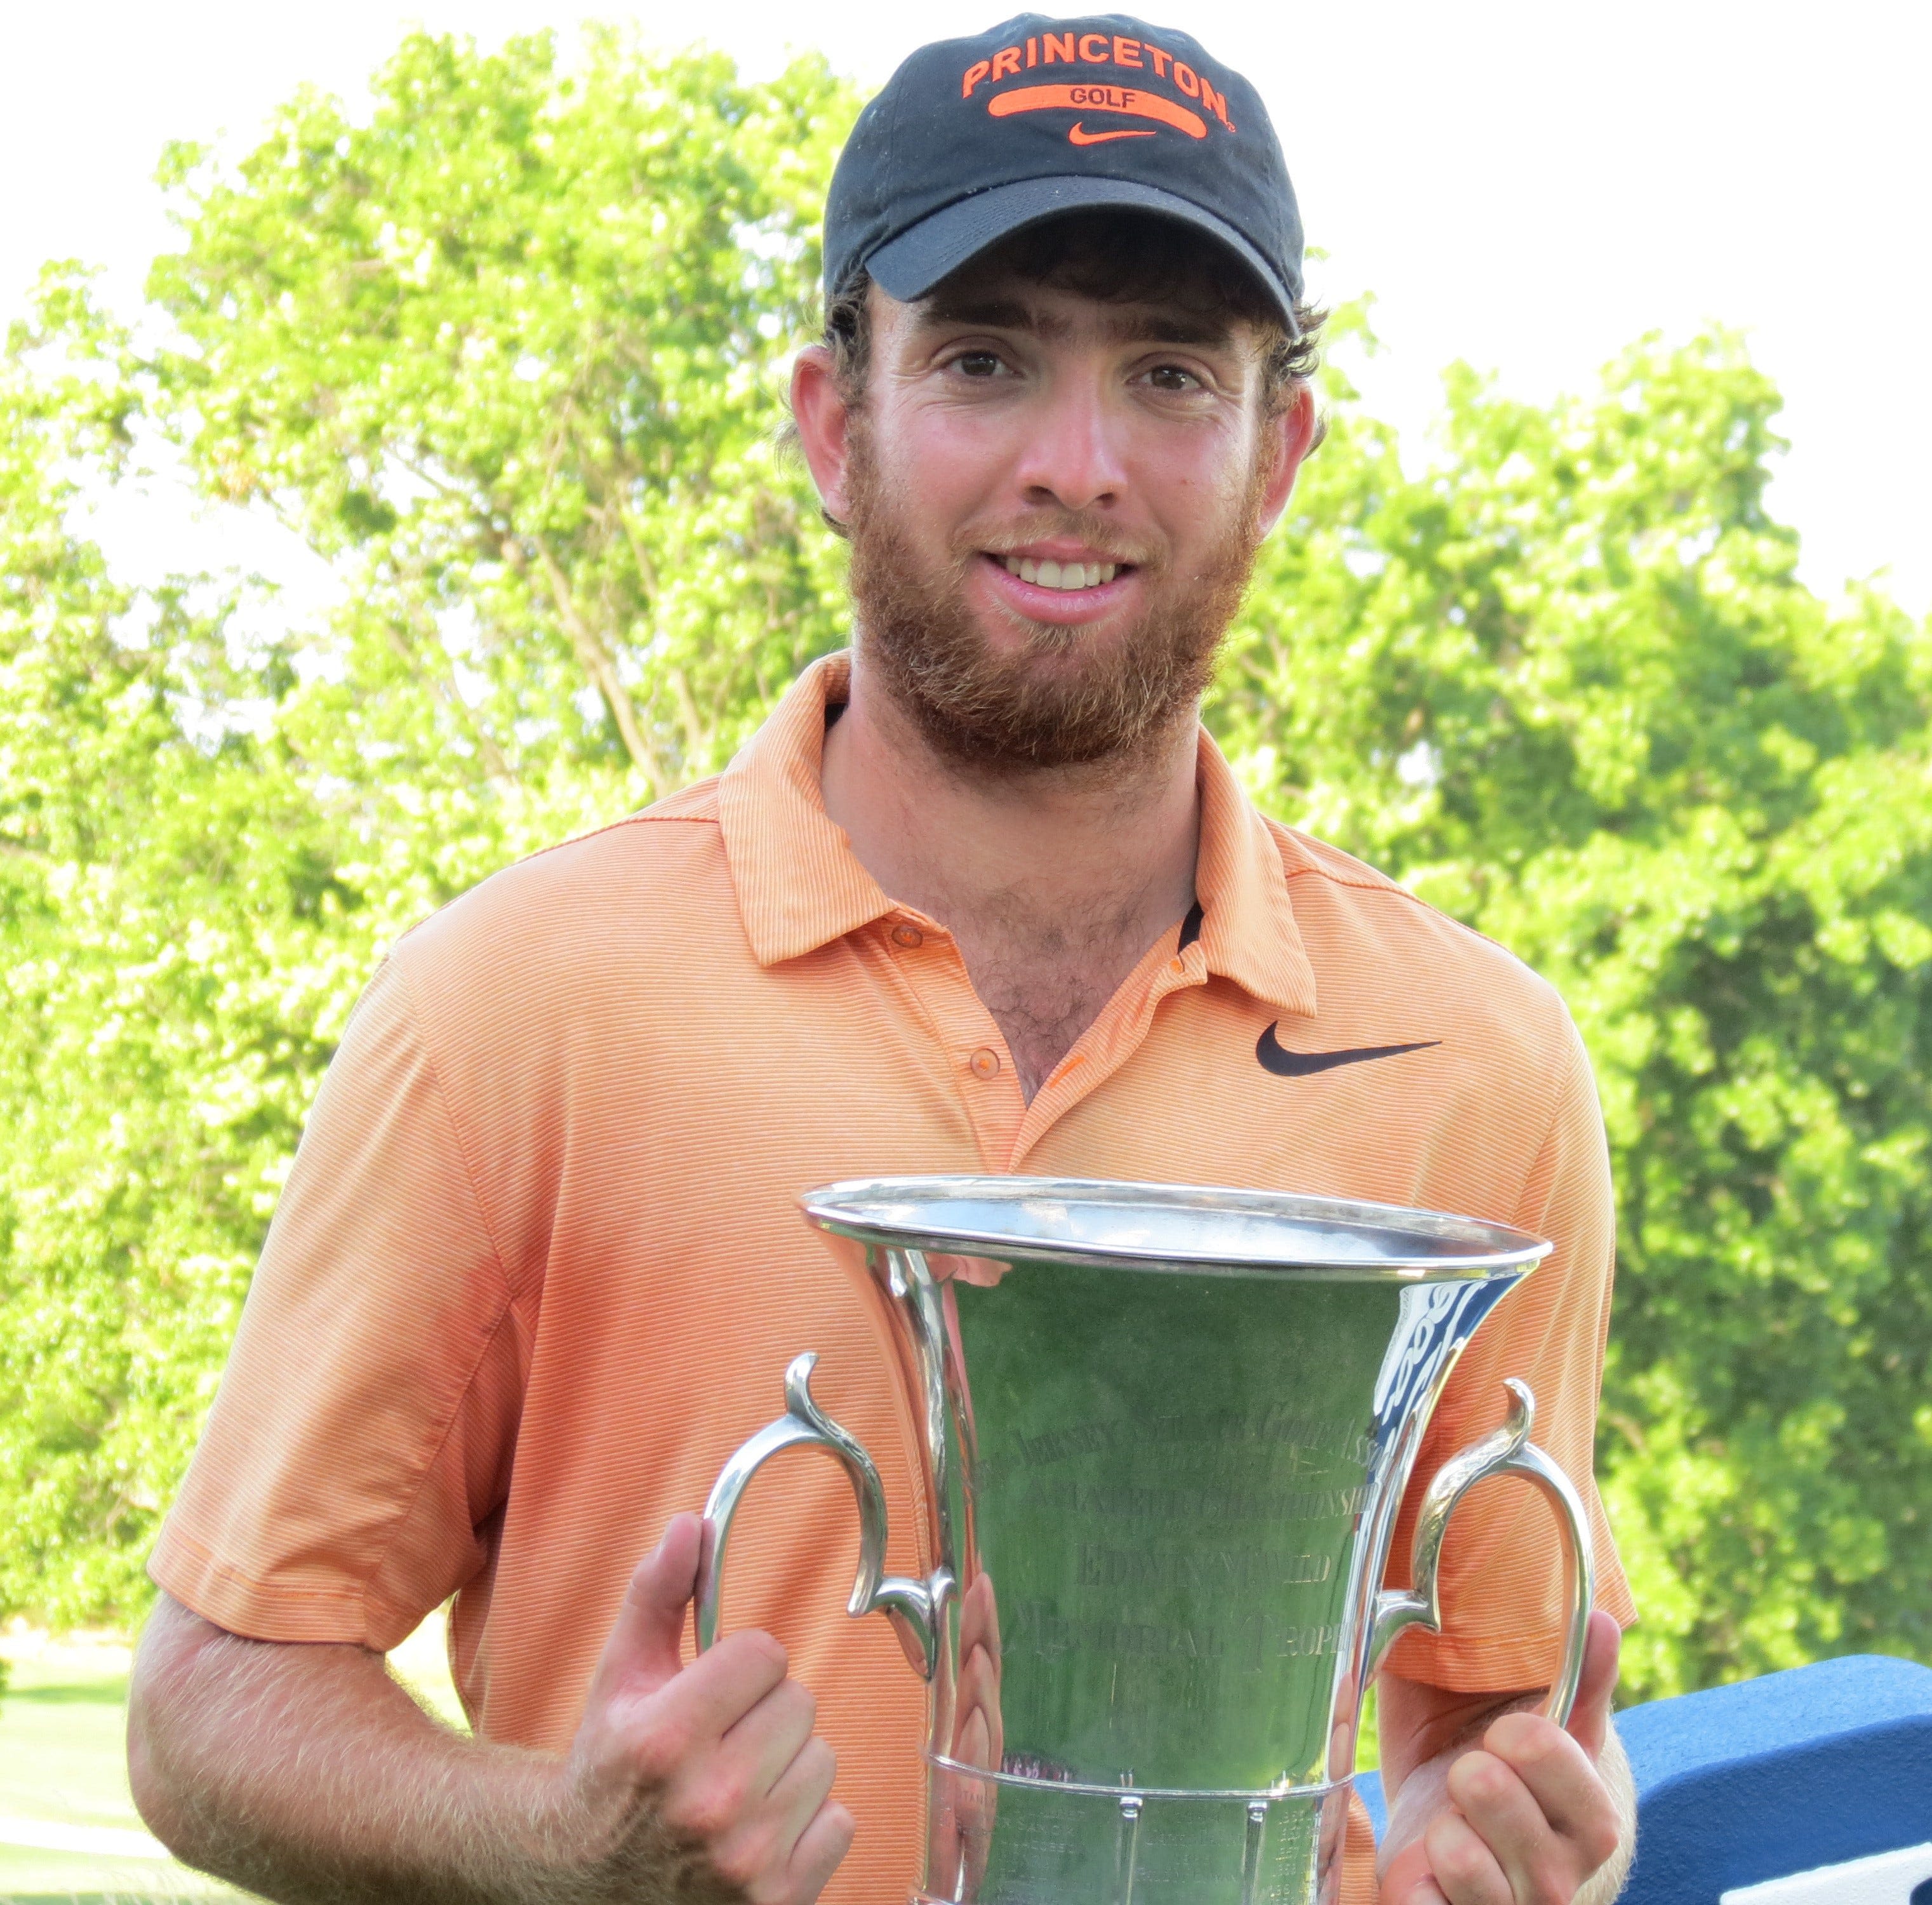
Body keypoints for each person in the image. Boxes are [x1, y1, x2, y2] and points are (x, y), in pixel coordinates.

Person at [127, 14, 1639, 1904]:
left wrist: (1508, 1853)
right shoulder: (510, 1002)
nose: (1078, 466)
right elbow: (209, 1708)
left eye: (1171, 374)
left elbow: (1486, 1730)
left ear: (1276, 457)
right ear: (835, 425)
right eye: (987, 360)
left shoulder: (1478, 1062)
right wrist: (553, 1843)